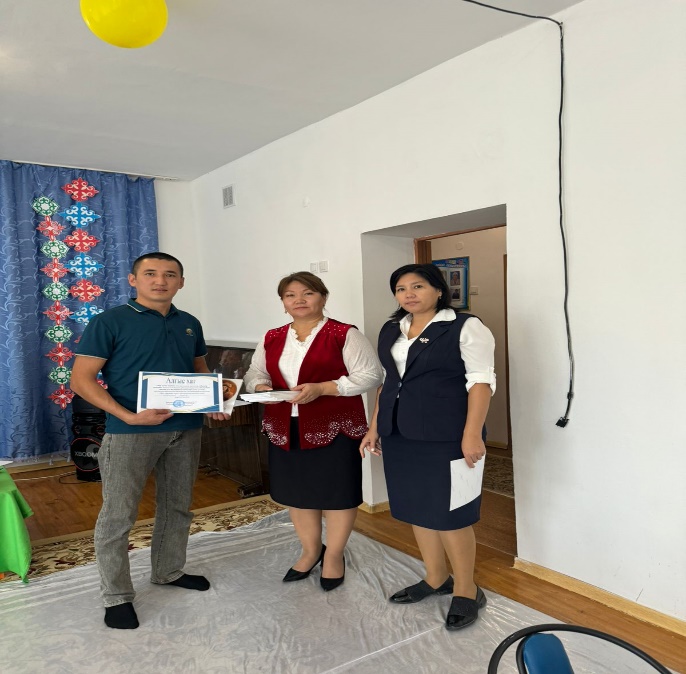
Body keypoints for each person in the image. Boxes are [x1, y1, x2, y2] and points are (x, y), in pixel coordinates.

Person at [70, 252, 227, 630]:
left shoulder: (189, 323)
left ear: (181, 282)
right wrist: (127, 416)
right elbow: (81, 380)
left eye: (170, 274)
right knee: (118, 514)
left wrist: (213, 402)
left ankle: (168, 571)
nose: (161, 281)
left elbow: (199, 369)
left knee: (177, 506)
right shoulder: (109, 321)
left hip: (186, 428)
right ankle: (116, 596)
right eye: (151, 273)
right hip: (130, 431)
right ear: (133, 280)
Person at [359, 263, 495, 630]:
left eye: (417, 286)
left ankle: (467, 589)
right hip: (400, 433)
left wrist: (472, 434)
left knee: (451, 514)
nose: (409, 294)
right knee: (417, 509)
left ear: (438, 289)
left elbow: (480, 383)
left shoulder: (465, 326)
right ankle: (436, 577)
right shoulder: (392, 328)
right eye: (401, 288)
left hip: (447, 434)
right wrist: (374, 426)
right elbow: (389, 381)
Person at [244, 271, 382, 591]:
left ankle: (333, 555)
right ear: (283, 303)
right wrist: (261, 386)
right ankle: (310, 551)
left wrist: (323, 388)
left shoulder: (344, 334)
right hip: (285, 426)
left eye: (308, 293)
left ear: (323, 297)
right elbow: (255, 373)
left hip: (334, 426)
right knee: (298, 494)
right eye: (290, 295)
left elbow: (371, 375)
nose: (299, 300)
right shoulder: (272, 337)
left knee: (337, 494)